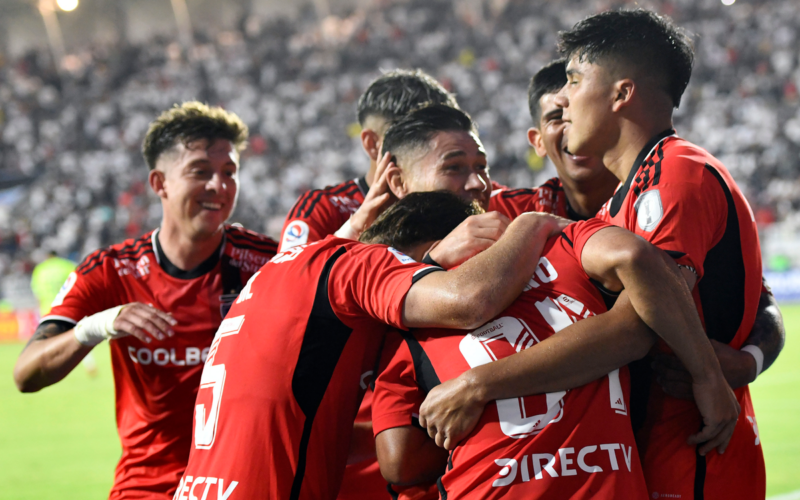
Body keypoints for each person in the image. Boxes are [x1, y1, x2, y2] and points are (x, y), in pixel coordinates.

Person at [174, 192, 567, 500]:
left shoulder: (286, 273)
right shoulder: (359, 262)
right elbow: (469, 299)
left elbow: (316, 426)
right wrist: (532, 225)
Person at [13, 102, 278, 499]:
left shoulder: (267, 265)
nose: (219, 187)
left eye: (229, 173)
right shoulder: (110, 271)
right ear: (159, 183)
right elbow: (26, 374)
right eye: (200, 172)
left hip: (239, 483)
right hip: (148, 487)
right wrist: (97, 325)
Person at [373, 210, 735, 498]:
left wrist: (476, 399)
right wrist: (710, 376)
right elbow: (635, 262)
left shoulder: (404, 330)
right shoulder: (565, 246)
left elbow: (399, 462)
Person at [555, 10, 764, 499]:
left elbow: (634, 329)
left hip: (692, 448)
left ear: (622, 93)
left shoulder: (675, 173)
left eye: (574, 79)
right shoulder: (631, 190)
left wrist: (482, 384)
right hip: (660, 444)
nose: (563, 99)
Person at [278, 69, 464, 500]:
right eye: (414, 133)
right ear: (372, 144)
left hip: (438, 434)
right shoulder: (324, 211)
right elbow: (289, 307)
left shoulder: (460, 204)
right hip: (355, 457)